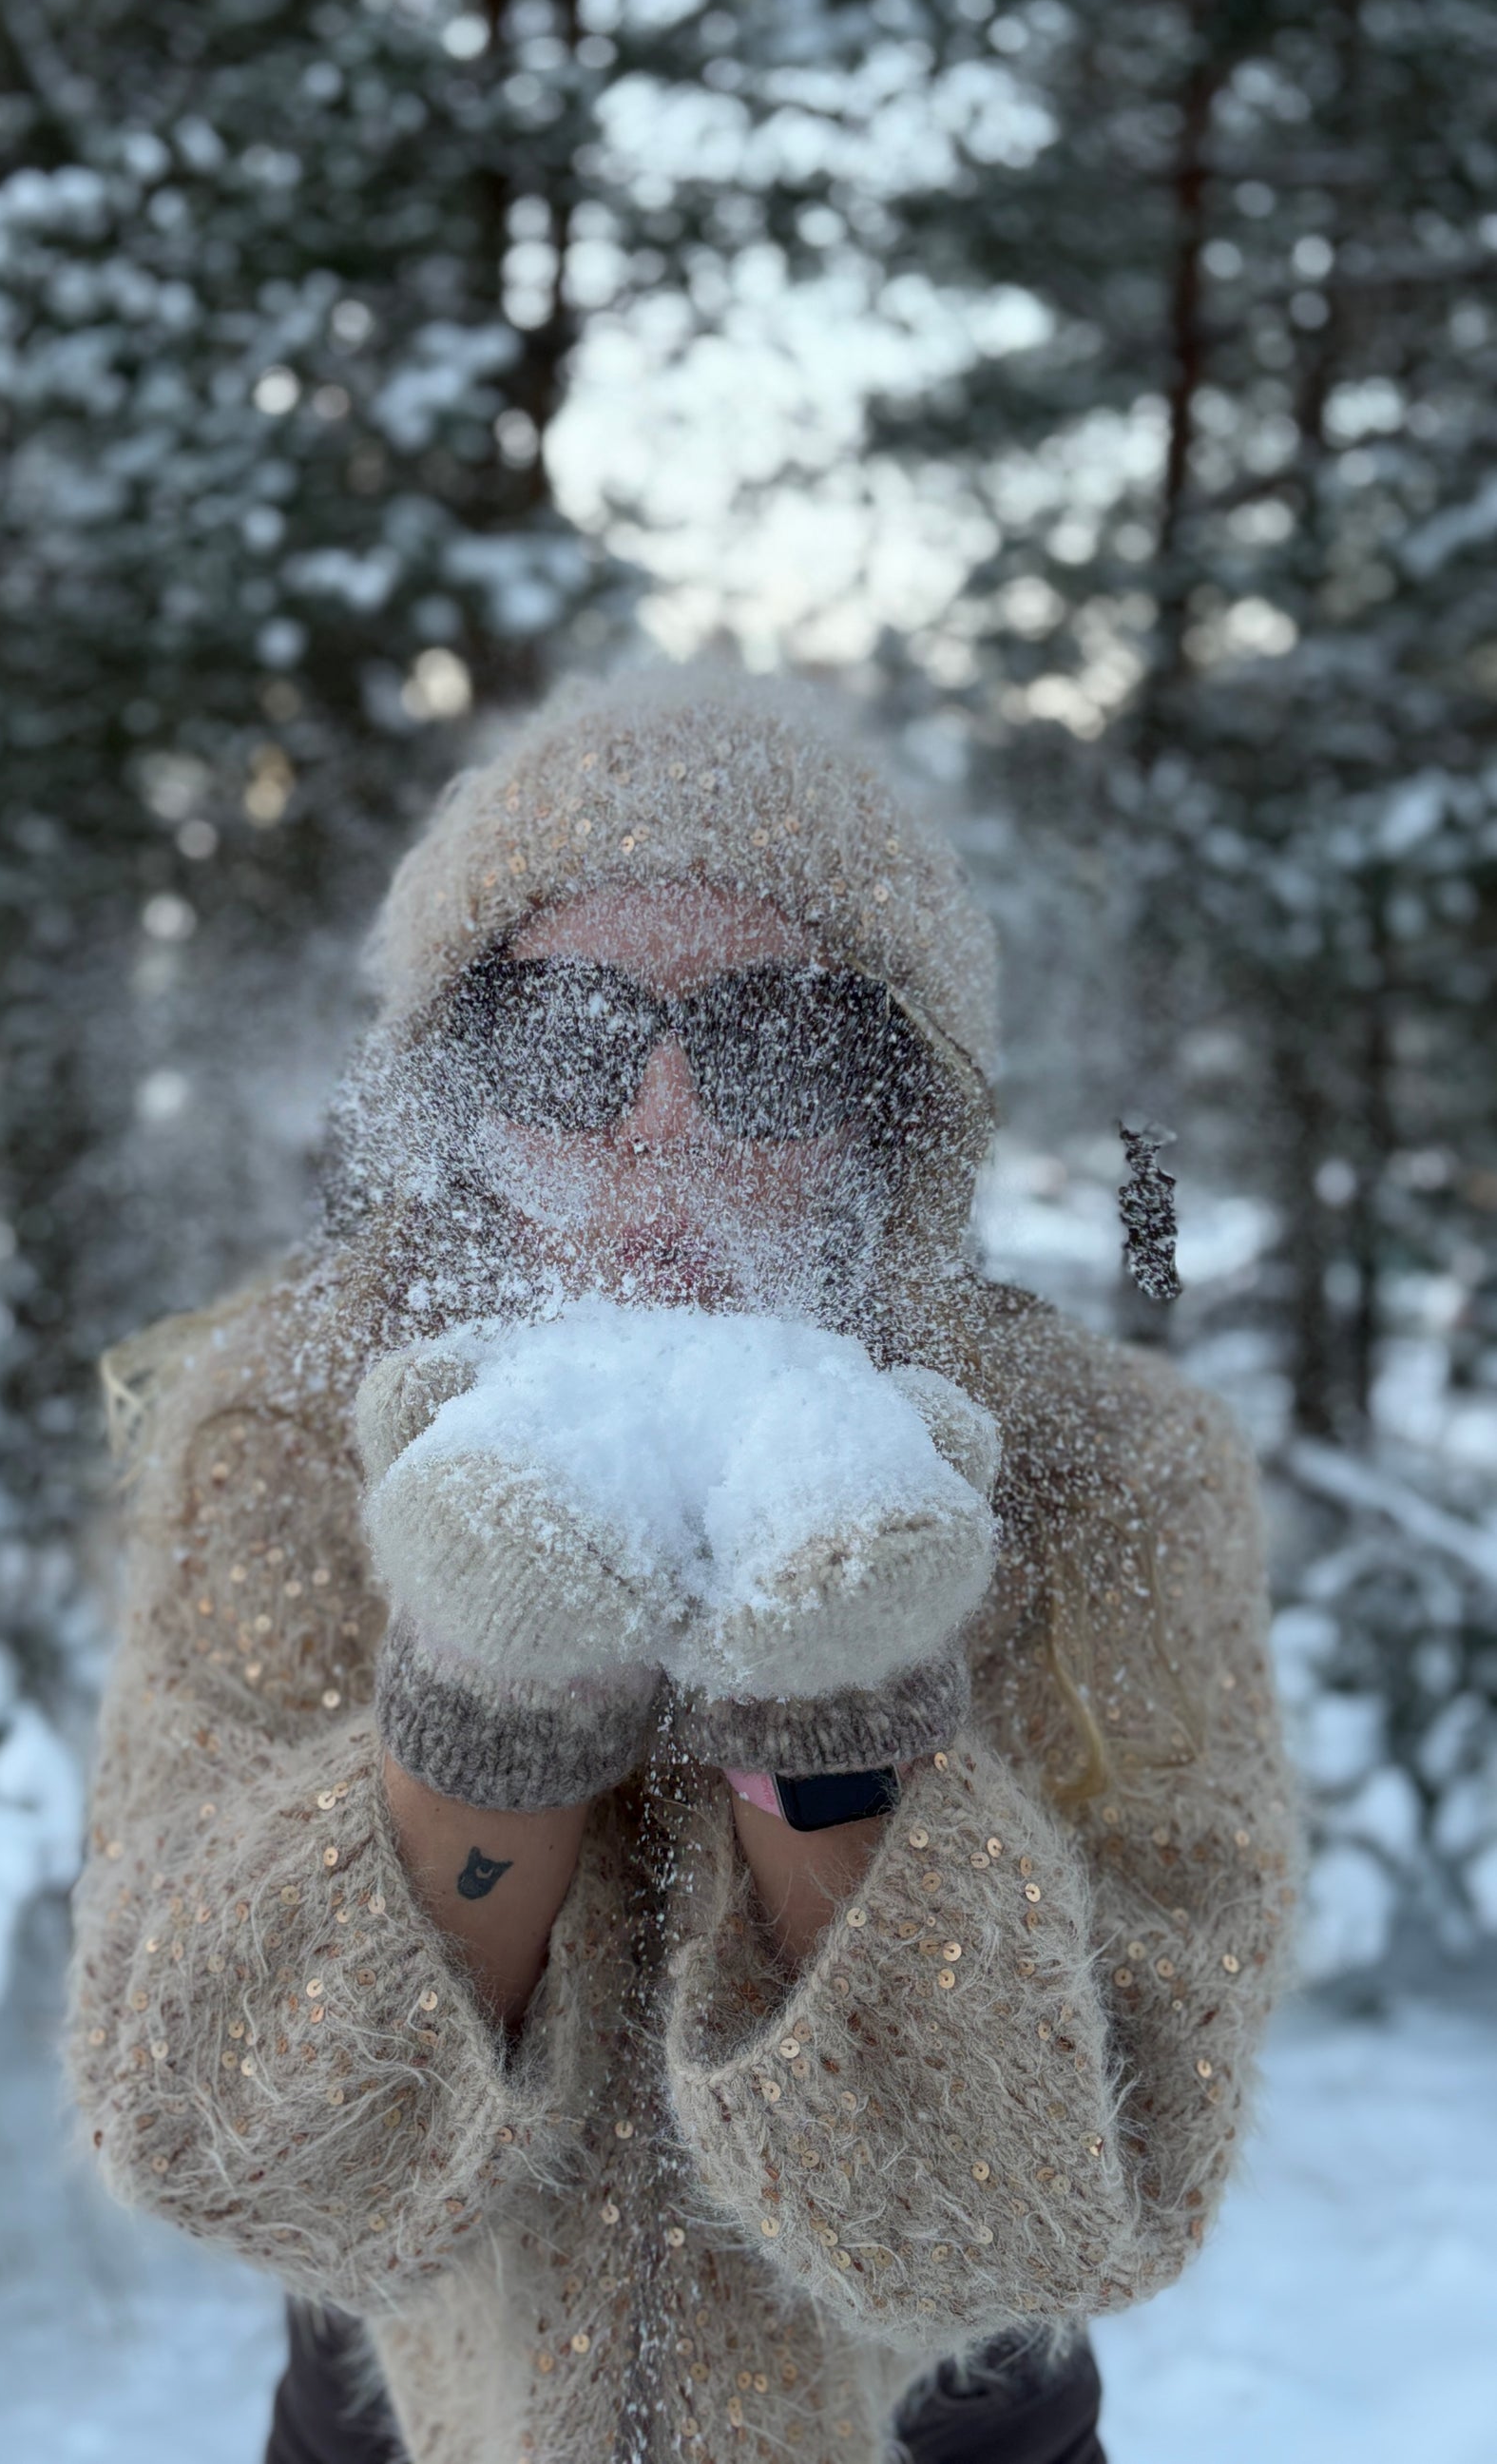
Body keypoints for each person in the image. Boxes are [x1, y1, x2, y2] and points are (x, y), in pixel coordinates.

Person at [67, 665, 1304, 2464]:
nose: (660, 1127)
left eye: (774, 1041)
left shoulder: (1106, 1468)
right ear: (453, 1084)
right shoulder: (281, 1421)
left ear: (895, 1104)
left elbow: (1087, 2202)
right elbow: (210, 2135)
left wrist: (839, 1734)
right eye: (564, 1037)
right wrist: (481, 1717)